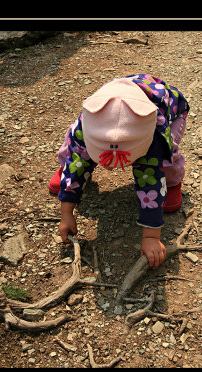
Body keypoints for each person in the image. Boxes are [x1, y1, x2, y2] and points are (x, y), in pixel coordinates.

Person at [48, 74, 189, 268]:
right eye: (105, 160)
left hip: (168, 110)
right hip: (110, 104)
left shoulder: (154, 135)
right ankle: (65, 168)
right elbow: (77, 156)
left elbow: (151, 182)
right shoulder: (86, 123)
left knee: (166, 153)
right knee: (74, 148)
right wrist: (66, 213)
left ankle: (173, 182)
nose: (111, 168)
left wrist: (151, 236)